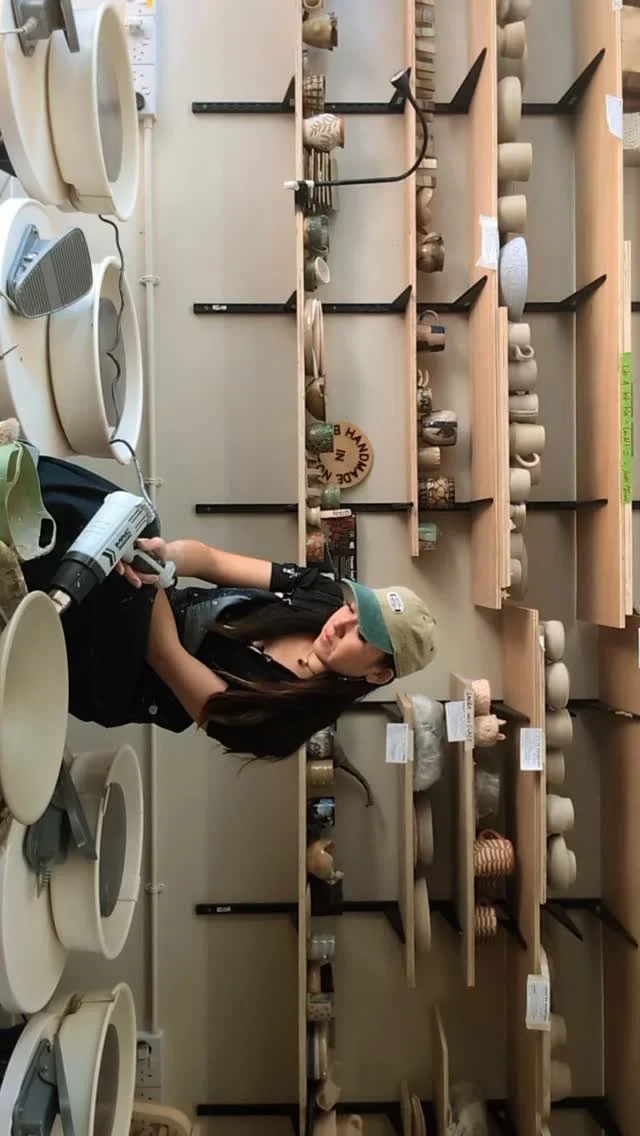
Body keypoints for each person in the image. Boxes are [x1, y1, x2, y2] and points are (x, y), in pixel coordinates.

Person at [22, 456, 437, 758]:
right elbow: (212, 562)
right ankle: (18, 476)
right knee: (124, 514)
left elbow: (165, 655)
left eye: (361, 635)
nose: (340, 623)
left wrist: (150, 576)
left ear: (377, 673)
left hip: (120, 672)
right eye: (353, 609)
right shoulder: (323, 596)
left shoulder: (286, 724)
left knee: (115, 537)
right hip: (148, 598)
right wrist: (164, 554)